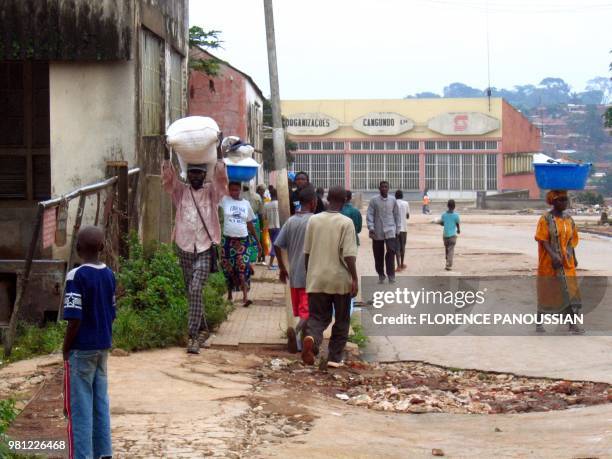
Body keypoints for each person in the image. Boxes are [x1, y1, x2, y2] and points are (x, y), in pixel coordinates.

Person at [162, 144, 228, 354]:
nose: (195, 177)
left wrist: (218, 153)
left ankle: (192, 337)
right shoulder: (180, 192)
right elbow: (169, 180)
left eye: (199, 174)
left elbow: (221, 180)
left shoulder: (212, 193)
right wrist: (167, 153)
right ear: (188, 175)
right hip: (184, 247)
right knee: (191, 291)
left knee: (196, 288)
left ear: (204, 175)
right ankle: (202, 328)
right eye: (192, 174)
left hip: (205, 248)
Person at [62, 226, 115, 459]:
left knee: (80, 410)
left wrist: (65, 349)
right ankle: (104, 454)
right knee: (100, 404)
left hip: (81, 349)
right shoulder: (109, 274)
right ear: (103, 247)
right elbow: (112, 312)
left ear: (78, 248)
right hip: (103, 347)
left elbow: (74, 319)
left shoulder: (77, 275)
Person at [301, 186, 358, 368]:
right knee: (341, 320)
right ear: (344, 201)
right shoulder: (346, 223)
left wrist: (309, 274)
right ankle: (334, 358)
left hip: (317, 277)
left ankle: (312, 338)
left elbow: (307, 253)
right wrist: (355, 279)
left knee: (318, 317)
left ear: (327, 198)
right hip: (339, 279)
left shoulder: (314, 220)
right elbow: (349, 254)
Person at [274, 186, 317, 353]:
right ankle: (296, 333)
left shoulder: (291, 221)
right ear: (313, 203)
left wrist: (282, 267)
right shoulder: (315, 221)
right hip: (310, 276)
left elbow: (277, 244)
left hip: (293, 275)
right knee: (309, 312)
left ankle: (301, 343)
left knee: (301, 312)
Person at [535, 190, 584, 334]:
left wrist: (573, 257)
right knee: (548, 292)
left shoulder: (569, 219)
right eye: (561, 200)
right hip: (549, 263)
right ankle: (539, 323)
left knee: (570, 292)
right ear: (553, 201)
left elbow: (571, 240)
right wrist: (553, 256)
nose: (564, 202)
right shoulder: (545, 219)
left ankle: (572, 325)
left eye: (565, 199)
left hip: (567, 263)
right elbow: (542, 239)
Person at [220, 181, 262, 308]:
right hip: (228, 240)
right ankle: (229, 294)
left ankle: (245, 297)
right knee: (229, 269)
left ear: (240, 191)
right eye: (231, 190)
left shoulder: (246, 204)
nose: (234, 192)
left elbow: (250, 223)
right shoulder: (224, 200)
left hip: (243, 240)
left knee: (242, 266)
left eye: (236, 190)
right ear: (228, 190)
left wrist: (257, 242)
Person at [367, 181, 401, 284]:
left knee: (391, 252)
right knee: (378, 254)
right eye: (382, 187)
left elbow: (397, 215)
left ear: (388, 188)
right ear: (379, 188)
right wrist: (371, 227)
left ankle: (391, 275)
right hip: (378, 231)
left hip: (391, 231)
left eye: (386, 187)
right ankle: (381, 274)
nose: (384, 189)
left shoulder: (393, 200)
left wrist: (398, 229)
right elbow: (370, 214)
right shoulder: (374, 200)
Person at [242, 184, 264, 264]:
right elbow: (261, 213)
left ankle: (245, 258)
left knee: (245, 240)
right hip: (255, 220)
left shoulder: (240, 196)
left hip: (243, 221)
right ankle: (253, 259)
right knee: (254, 240)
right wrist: (261, 226)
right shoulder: (257, 196)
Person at [439, 199, 460, 271]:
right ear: (454, 206)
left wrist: (440, 223)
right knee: (451, 250)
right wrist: (458, 230)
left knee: (447, 249)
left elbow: (442, 223)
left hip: (445, 235)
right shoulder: (456, 215)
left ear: (447, 206)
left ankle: (447, 260)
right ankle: (448, 265)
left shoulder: (443, 215)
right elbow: (457, 223)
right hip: (453, 236)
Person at [264, 188, 281, 268]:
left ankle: (277, 263)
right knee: (275, 245)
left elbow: (265, 217)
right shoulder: (280, 204)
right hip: (278, 227)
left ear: (270, 195)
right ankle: (270, 264)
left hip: (270, 227)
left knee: (274, 244)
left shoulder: (266, 205)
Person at [395, 190, 410, 271]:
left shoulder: (394, 203)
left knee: (397, 247)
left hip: (396, 229)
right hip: (404, 228)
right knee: (403, 246)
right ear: (402, 196)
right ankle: (402, 263)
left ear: (395, 196)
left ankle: (398, 266)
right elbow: (407, 216)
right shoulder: (406, 203)